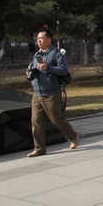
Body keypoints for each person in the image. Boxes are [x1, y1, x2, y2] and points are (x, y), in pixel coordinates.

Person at [26, 28, 79, 157]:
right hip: (37, 93)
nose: (39, 41)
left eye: (41, 38)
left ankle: (73, 136)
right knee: (36, 122)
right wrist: (29, 71)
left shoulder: (56, 53)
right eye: (37, 39)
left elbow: (63, 70)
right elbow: (32, 66)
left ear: (49, 40)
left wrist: (48, 68)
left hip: (51, 93)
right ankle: (39, 148)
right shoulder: (37, 54)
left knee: (56, 119)